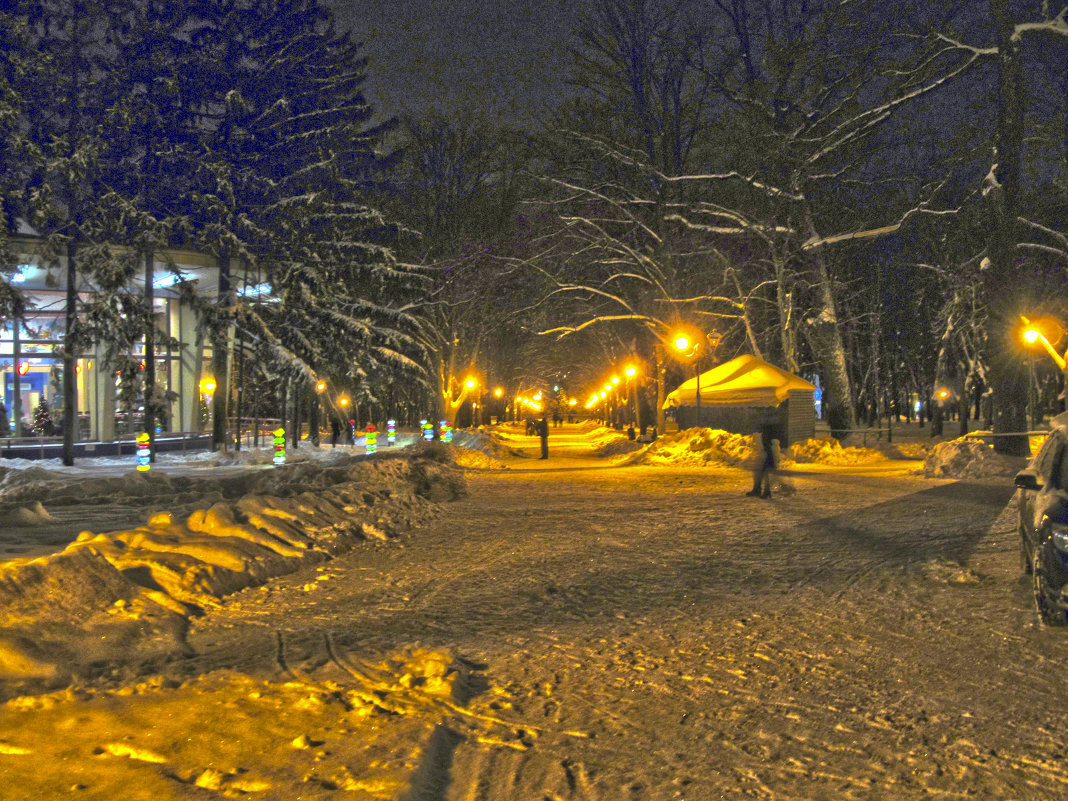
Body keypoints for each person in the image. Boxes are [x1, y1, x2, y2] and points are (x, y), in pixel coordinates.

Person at [747, 422, 779, 498]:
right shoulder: (766, 436)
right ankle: (762, 491)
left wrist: (766, 459)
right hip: (766, 457)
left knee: (763, 474)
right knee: (763, 474)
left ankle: (763, 491)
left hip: (766, 457)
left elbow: (767, 449)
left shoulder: (766, 437)